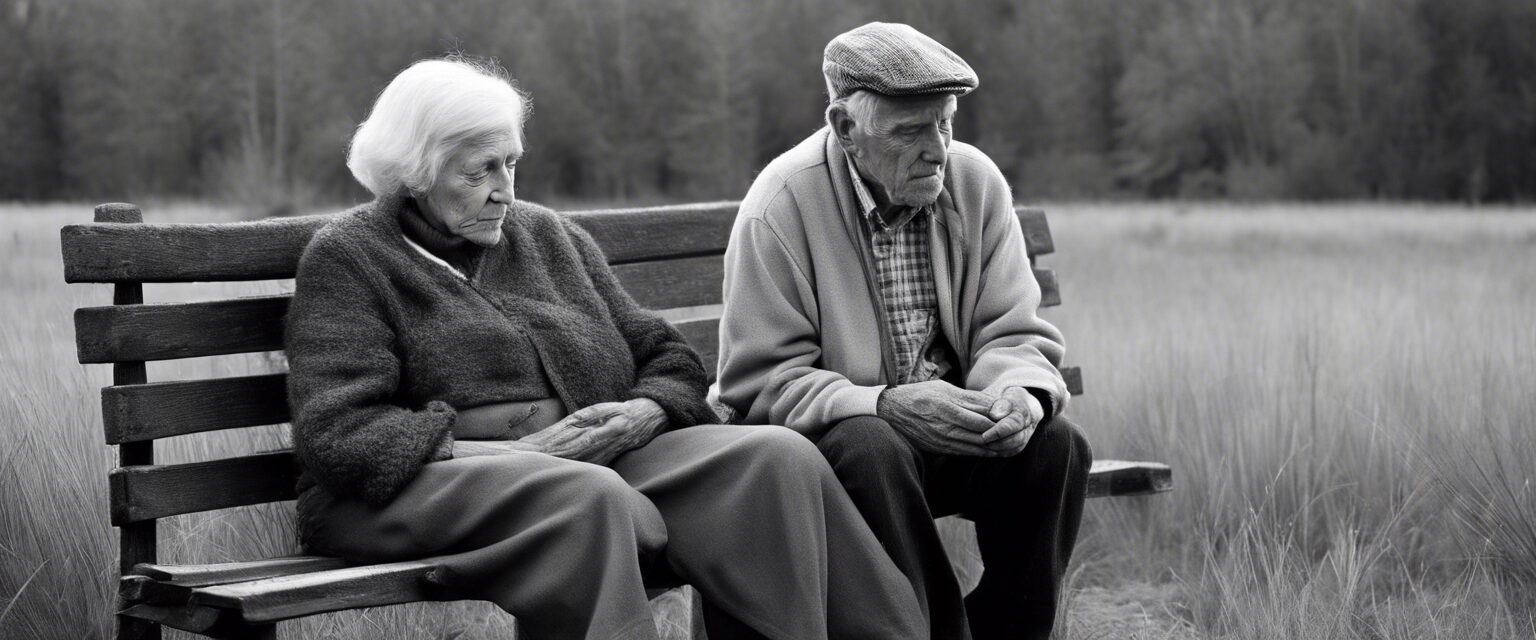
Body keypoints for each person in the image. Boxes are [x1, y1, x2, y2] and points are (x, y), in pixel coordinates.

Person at [286, 56, 924, 640]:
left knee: (775, 457)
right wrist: (522, 452)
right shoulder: (352, 256)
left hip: (591, 458)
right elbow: (341, 434)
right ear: (415, 169)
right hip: (405, 492)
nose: (506, 189)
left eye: (511, 163)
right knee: (589, 498)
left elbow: (667, 357)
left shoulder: (546, 235)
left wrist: (644, 412)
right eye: (479, 170)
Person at [717, 23, 1093, 640]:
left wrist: (1019, 395)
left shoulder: (974, 183)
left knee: (1056, 446)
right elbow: (761, 384)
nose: (938, 150)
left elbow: (1013, 331)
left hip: (948, 430)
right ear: (845, 129)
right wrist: (884, 403)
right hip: (834, 451)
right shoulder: (780, 205)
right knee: (872, 444)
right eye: (910, 132)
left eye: (945, 123)